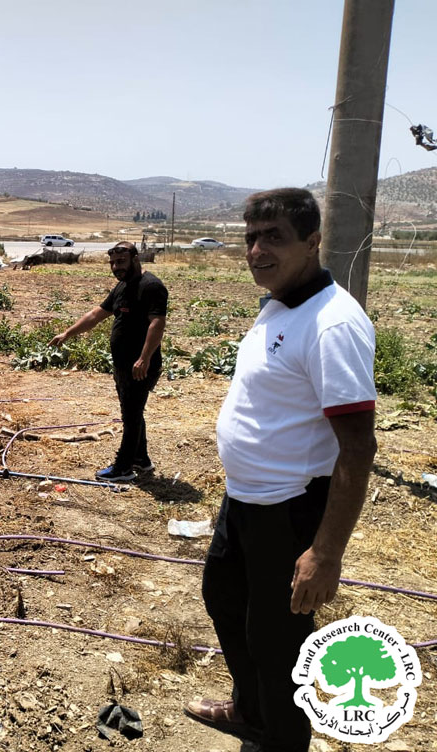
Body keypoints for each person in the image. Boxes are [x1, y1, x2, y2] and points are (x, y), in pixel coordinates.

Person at [185, 188, 377, 752]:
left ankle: (283, 739)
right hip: (245, 500)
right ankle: (251, 712)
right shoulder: (280, 304)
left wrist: (325, 553)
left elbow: (358, 448)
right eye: (251, 238)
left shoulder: (332, 324)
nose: (257, 250)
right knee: (225, 601)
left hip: (289, 509)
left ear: (312, 242)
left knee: (277, 642)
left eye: (274, 237)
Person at [48, 241, 167, 481]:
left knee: (131, 415)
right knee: (132, 411)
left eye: (121, 262)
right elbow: (96, 315)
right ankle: (141, 459)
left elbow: (157, 323)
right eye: (112, 263)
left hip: (140, 366)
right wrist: (67, 333)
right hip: (124, 364)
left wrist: (144, 358)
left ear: (135, 259)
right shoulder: (122, 286)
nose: (115, 267)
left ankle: (123, 468)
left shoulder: (151, 286)